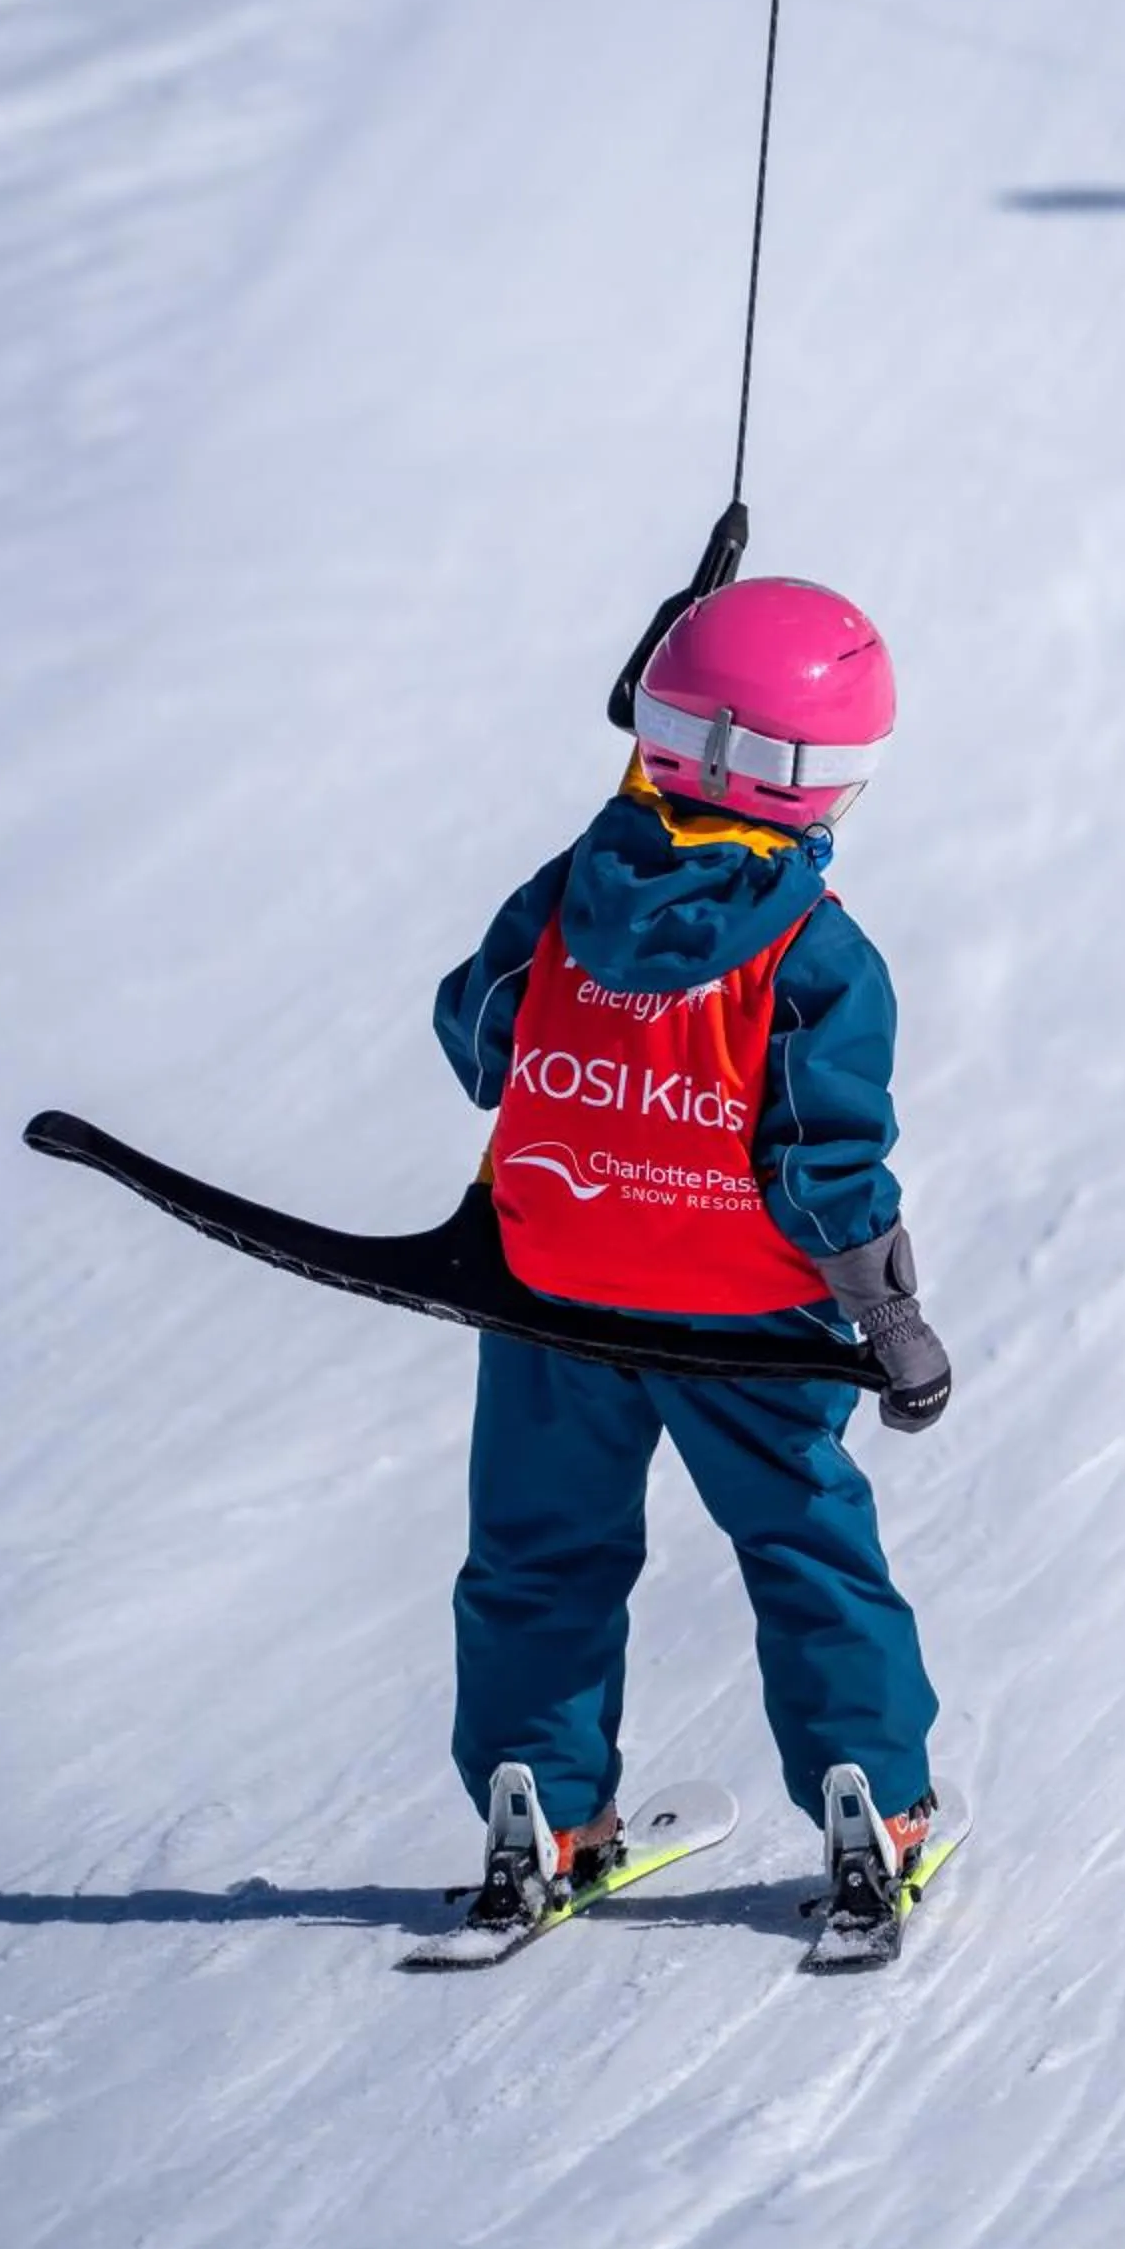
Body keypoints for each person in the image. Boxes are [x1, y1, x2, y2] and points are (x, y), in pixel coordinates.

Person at [433, 575, 949, 1930]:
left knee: (539, 1548)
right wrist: (894, 1327)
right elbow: (826, 1173)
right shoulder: (819, 958)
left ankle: (540, 1809)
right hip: (744, 1327)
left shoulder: (566, 898)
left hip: (554, 1303)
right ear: (836, 784)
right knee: (802, 1547)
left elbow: (476, 1041)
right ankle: (872, 1804)